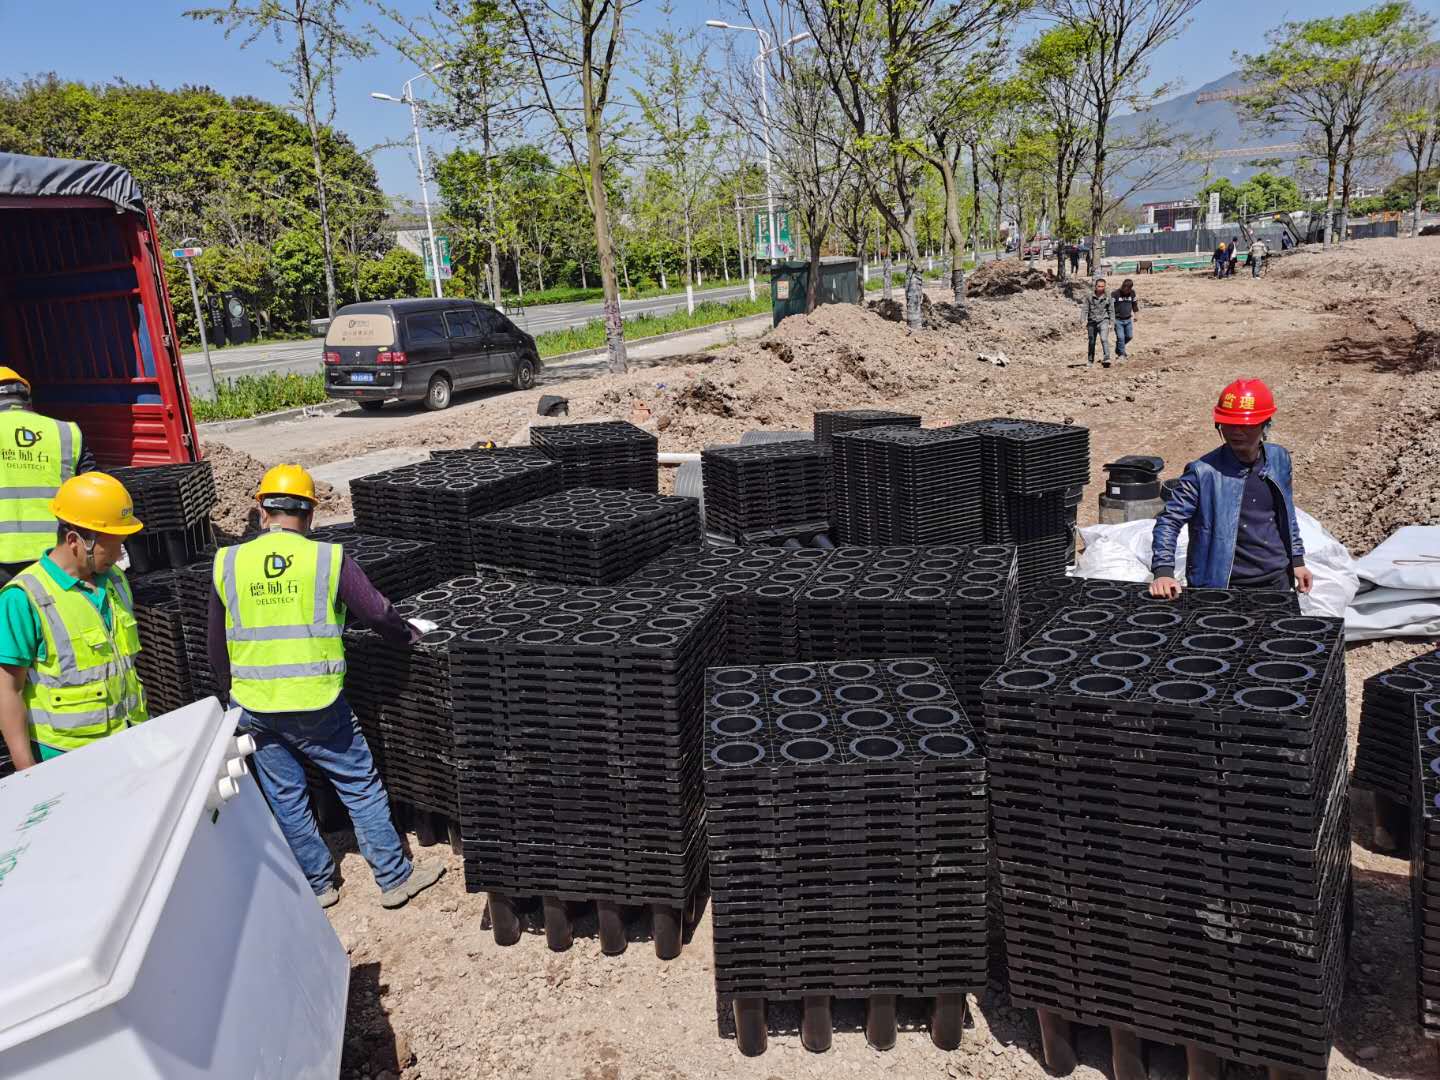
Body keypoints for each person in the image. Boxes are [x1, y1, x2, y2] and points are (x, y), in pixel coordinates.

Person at [209, 464, 445, 910]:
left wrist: (230, 698)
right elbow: (376, 613)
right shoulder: (328, 559)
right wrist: (408, 634)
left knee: (285, 794)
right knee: (359, 783)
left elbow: (215, 642)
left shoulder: (228, 562)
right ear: (310, 515)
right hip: (316, 700)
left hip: (254, 703)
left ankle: (320, 885)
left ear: (262, 510)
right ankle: (393, 878)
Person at [0, 472, 147, 770]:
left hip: (130, 740)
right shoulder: (23, 597)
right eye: (113, 544)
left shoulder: (115, 581)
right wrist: (27, 772)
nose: (120, 554)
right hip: (67, 757)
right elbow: (7, 689)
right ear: (75, 540)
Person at [1149, 379, 1313, 599]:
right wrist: (1163, 571)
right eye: (1228, 424)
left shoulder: (1279, 459)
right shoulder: (1202, 473)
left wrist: (1297, 560)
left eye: (1246, 425)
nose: (1236, 432)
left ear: (1265, 424)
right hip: (1222, 585)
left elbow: (1286, 513)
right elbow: (1169, 520)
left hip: (1275, 580)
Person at [0, 366, 97, 585]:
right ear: (26, 397)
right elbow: (93, 490)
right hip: (59, 554)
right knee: (57, 617)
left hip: (3, 560)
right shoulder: (66, 431)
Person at [1083, 277, 1114, 369]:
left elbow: (1111, 310)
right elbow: (1085, 309)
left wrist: (1112, 322)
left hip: (1103, 320)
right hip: (1092, 322)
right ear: (1095, 286)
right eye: (1099, 286)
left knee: (1104, 339)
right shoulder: (1089, 296)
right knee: (1092, 341)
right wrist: (1083, 320)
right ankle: (1090, 360)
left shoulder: (1108, 297)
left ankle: (1107, 358)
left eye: (1102, 286)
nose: (1101, 288)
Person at [1112, 278, 1139, 358]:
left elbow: (1134, 304)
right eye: (1124, 289)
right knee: (1121, 337)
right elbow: (1110, 307)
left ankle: (1119, 347)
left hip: (1128, 319)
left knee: (1129, 336)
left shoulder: (1132, 293)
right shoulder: (1115, 294)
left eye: (1127, 290)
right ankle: (1122, 354)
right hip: (1118, 320)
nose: (1125, 291)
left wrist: (1136, 315)